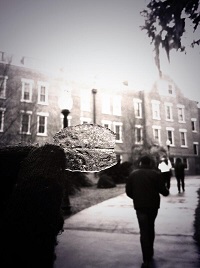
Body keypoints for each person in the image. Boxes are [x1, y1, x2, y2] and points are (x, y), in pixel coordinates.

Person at [126, 155, 169, 268]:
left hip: (140, 206)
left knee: (143, 231)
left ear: (140, 163)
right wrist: (166, 190)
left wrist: (136, 197)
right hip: (153, 206)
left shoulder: (133, 174)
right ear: (150, 163)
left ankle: (146, 259)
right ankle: (150, 252)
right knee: (151, 227)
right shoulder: (156, 174)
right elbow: (164, 191)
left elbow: (128, 191)